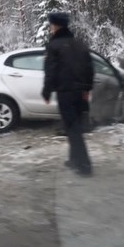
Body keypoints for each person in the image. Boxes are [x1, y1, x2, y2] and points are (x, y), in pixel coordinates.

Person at [42, 12, 95, 176]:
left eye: (51, 26)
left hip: (65, 93)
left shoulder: (53, 46)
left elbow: (51, 70)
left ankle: (85, 166)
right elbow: (90, 68)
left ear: (55, 26)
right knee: (75, 126)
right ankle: (74, 159)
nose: (50, 28)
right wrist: (87, 89)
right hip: (80, 93)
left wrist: (47, 91)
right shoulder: (79, 44)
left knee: (73, 129)